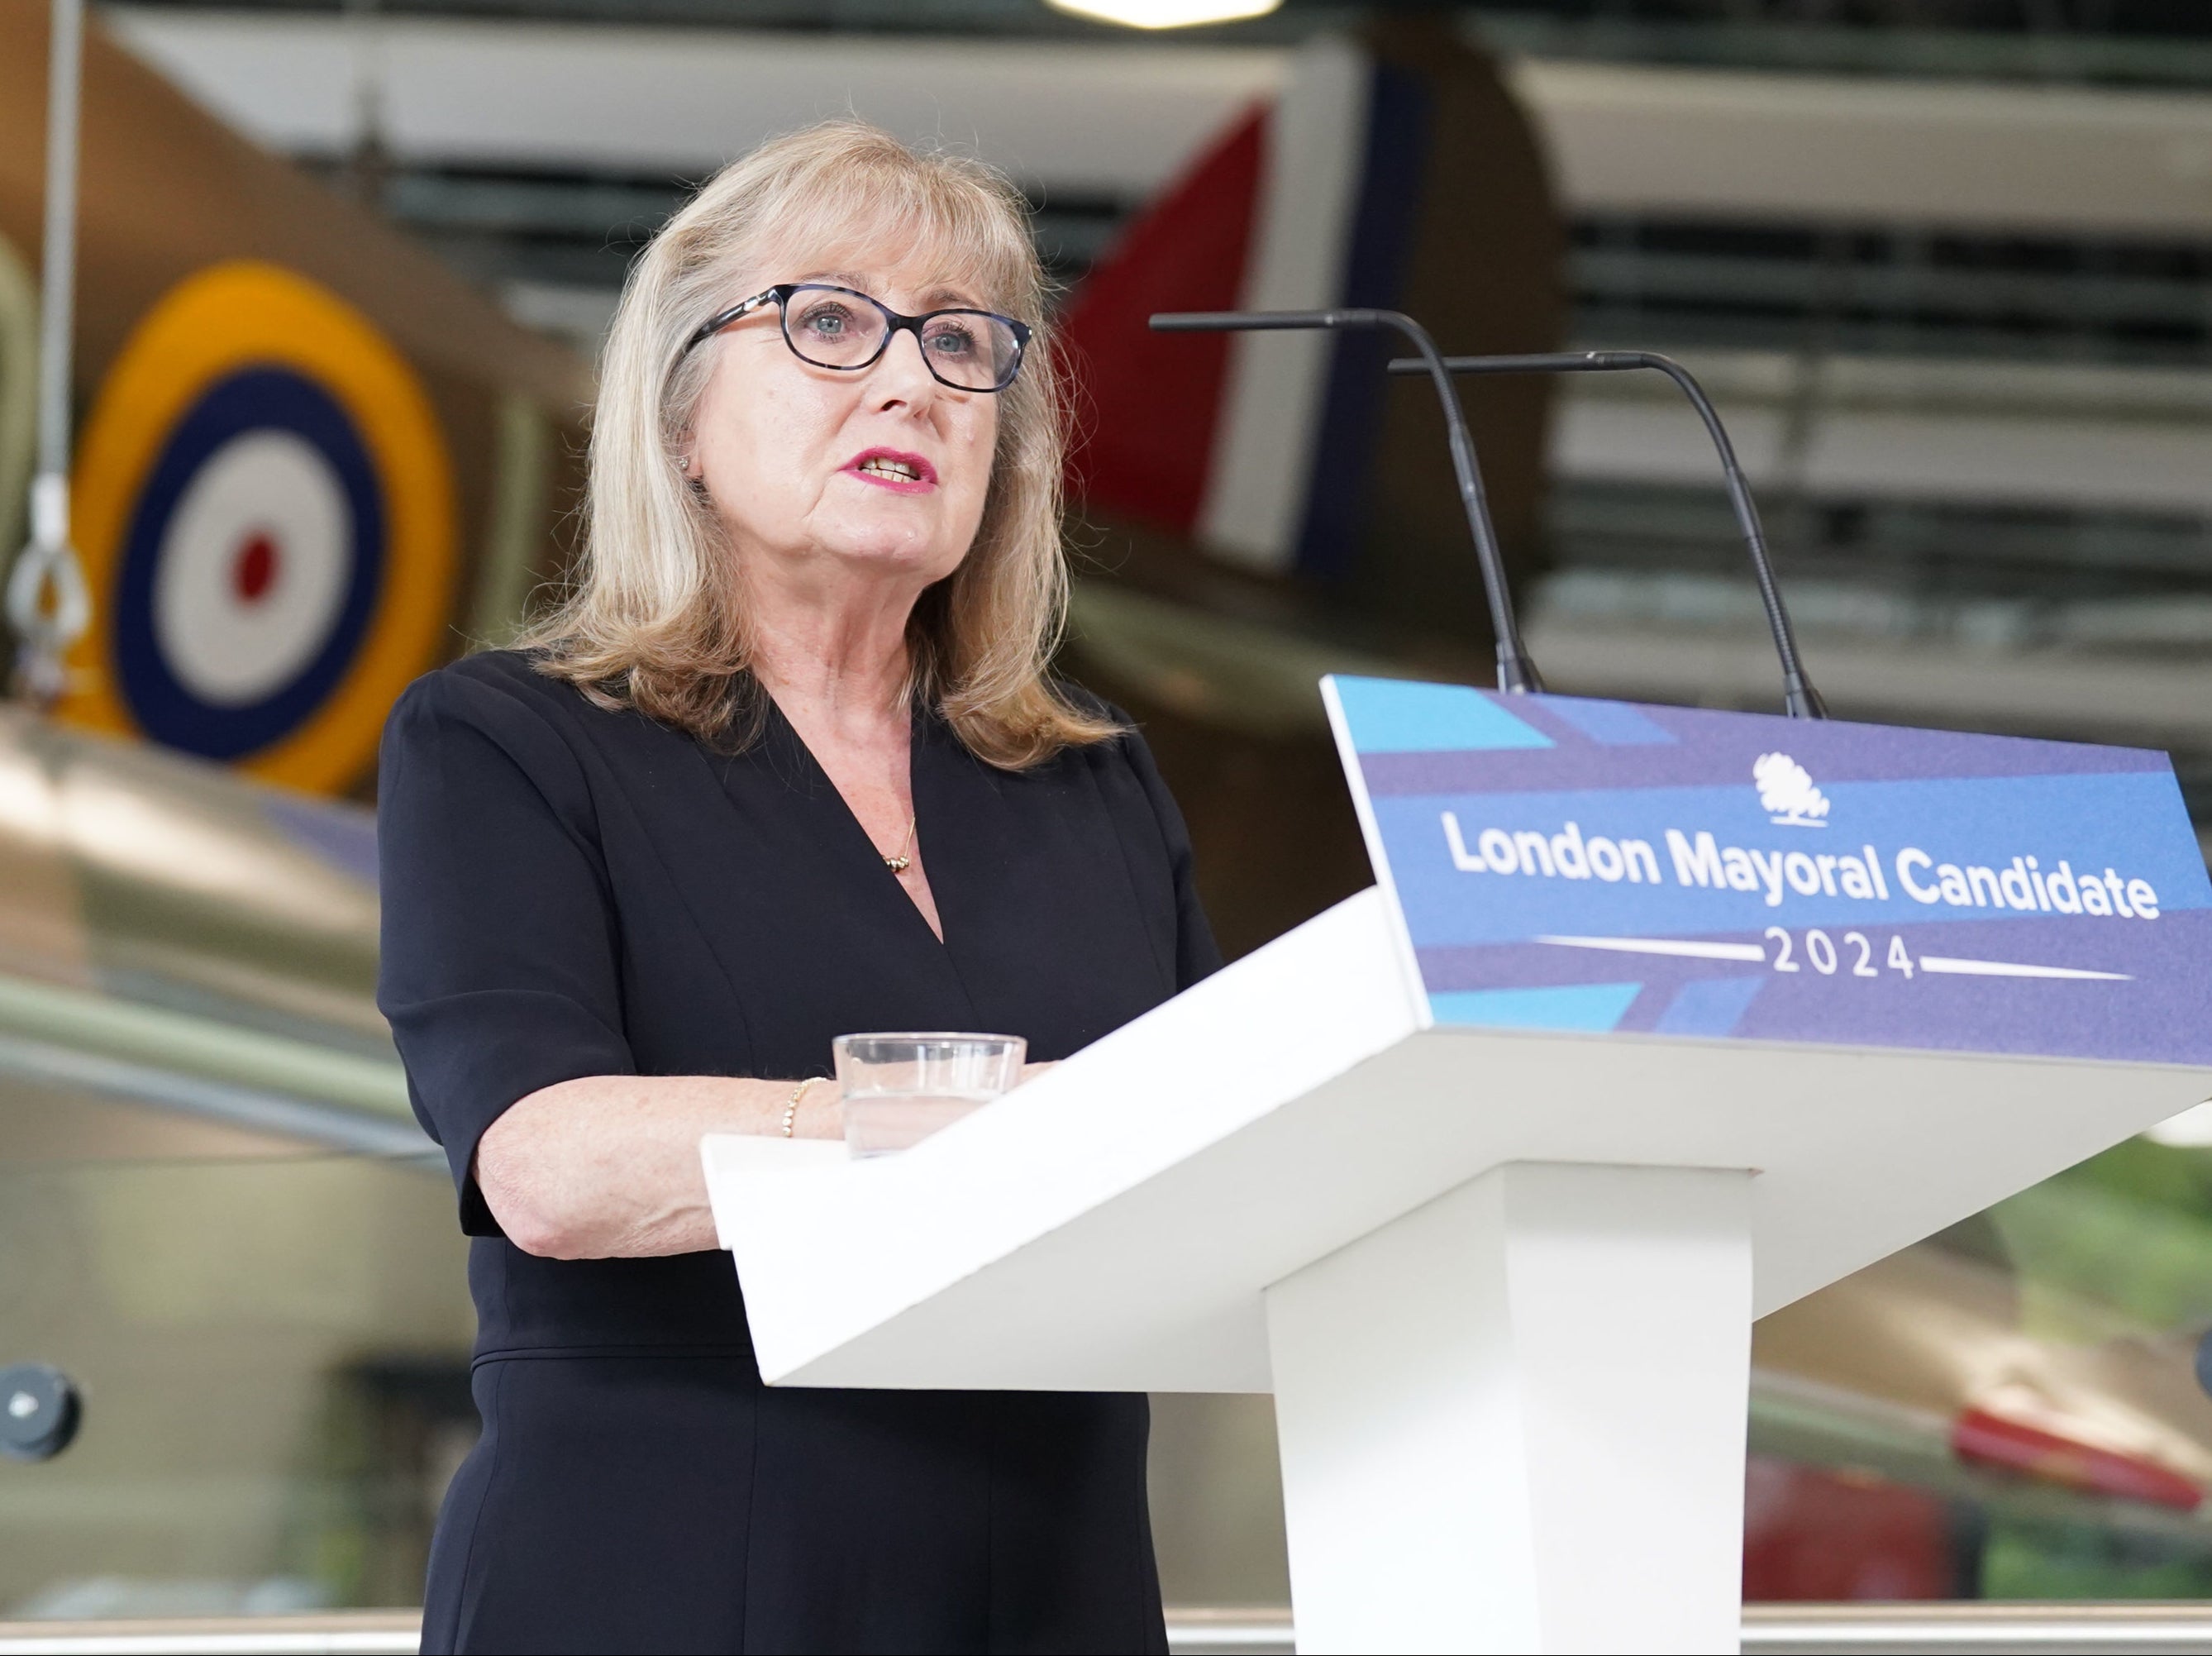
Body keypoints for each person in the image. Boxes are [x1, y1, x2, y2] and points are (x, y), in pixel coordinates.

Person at [376, 121, 1218, 1654]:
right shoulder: (511, 744)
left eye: (963, 346)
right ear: (682, 417)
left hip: (1057, 1592)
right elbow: (548, 1170)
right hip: (662, 1584)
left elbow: (1224, 1173)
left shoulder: (1094, 787)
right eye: (829, 322)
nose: (911, 382)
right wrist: (956, 1119)